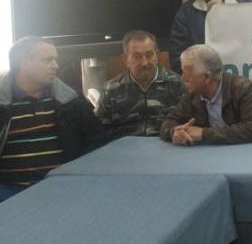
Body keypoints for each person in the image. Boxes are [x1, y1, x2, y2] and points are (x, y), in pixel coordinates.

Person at [0, 37, 107, 202]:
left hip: (62, 187)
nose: (56, 65)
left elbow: (96, 142)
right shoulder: (3, 104)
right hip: (9, 191)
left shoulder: (71, 101)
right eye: (47, 60)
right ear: (24, 63)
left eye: (55, 59)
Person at [160, 44, 252, 145]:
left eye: (188, 74)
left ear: (206, 77)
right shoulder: (192, 94)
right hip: (219, 154)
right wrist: (175, 132)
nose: (182, 79)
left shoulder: (243, 88)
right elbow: (168, 121)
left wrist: (203, 134)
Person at [95, 30, 185, 137]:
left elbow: (188, 123)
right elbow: (99, 131)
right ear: (125, 59)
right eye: (137, 56)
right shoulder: (112, 89)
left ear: (157, 55)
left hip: (165, 142)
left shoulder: (177, 83)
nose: (144, 63)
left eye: (149, 55)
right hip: (125, 144)